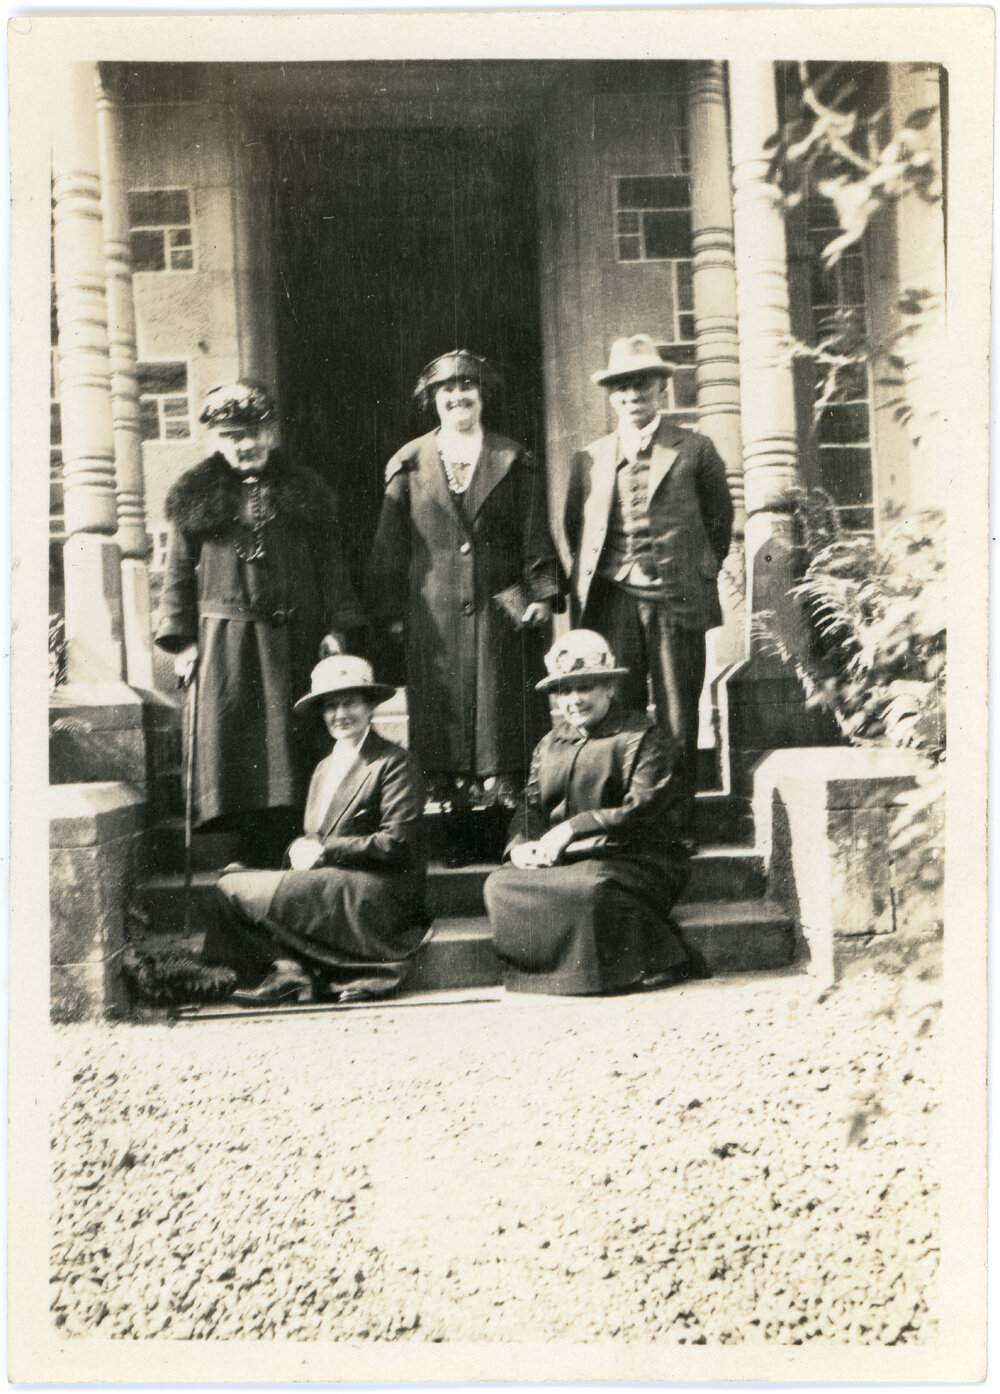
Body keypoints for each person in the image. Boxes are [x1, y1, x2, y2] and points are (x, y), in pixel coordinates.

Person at [155, 381, 365, 867]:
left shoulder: (306, 490)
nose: (244, 445)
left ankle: (298, 840)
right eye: (232, 436)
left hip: (295, 637)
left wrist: (338, 625)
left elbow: (332, 566)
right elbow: (176, 572)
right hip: (227, 641)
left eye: (253, 433)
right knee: (238, 739)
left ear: (270, 433)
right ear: (215, 439)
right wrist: (183, 641)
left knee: (291, 740)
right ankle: (247, 850)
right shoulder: (194, 495)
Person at [365, 350, 560, 854]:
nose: (458, 397)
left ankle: (512, 828)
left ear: (482, 395)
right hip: (432, 617)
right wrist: (389, 614)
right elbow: (389, 549)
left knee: (504, 717)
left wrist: (541, 592)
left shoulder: (514, 459)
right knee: (443, 720)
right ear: (432, 400)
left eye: (467, 388)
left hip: (502, 611)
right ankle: (454, 835)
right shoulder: (408, 464)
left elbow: (534, 533)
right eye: (446, 390)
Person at [564, 335, 734, 844]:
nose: (632, 395)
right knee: (622, 713)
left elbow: (719, 523)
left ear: (662, 389)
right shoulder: (588, 459)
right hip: (613, 601)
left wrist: (690, 573)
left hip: (675, 599)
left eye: (642, 385)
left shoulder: (695, 447)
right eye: (622, 387)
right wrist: (615, 573)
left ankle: (676, 824)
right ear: (611, 397)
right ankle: (626, 821)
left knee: (679, 713)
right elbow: (577, 529)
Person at [201, 654, 429, 1005]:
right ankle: (288, 969)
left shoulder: (394, 762)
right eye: (330, 706)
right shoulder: (324, 768)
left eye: (350, 702)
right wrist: (306, 850)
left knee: (231, 888)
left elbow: (397, 842)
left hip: (376, 890)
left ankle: (289, 970)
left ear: (370, 706)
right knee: (231, 876)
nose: (339, 714)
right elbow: (315, 834)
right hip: (331, 884)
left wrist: (325, 849)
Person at [483, 630, 693, 997]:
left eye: (586, 687)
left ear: (609, 688)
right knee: (500, 884)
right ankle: (549, 975)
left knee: (590, 890)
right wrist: (520, 845)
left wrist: (572, 829)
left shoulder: (641, 736)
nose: (575, 700)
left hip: (636, 856)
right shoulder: (549, 744)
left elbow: (642, 810)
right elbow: (530, 805)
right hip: (568, 859)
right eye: (565, 691)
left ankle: (651, 962)